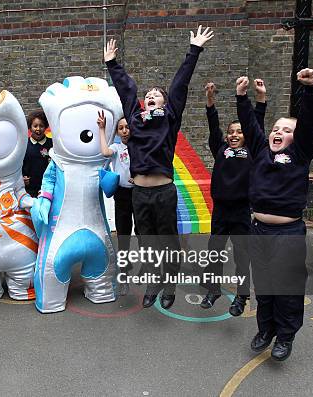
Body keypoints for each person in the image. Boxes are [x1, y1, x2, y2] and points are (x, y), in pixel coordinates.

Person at [104, 26, 214, 309]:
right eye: (149, 94)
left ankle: (170, 285)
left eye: (157, 94)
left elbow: (180, 85)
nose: (151, 95)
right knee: (148, 242)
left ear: (165, 102)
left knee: (168, 241)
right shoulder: (136, 118)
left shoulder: (169, 118)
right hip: (139, 193)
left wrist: (194, 50)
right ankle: (154, 281)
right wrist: (111, 64)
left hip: (163, 191)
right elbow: (126, 90)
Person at [235, 69, 313, 361]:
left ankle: (285, 336)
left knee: (287, 289)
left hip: (288, 233)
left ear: (296, 138)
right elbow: (250, 124)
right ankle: (266, 330)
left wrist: (311, 90)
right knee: (265, 287)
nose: (278, 132)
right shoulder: (261, 152)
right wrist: (242, 97)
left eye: (286, 130)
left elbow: (310, 123)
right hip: (258, 231)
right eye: (276, 128)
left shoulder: (299, 154)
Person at [199, 80, 266, 316]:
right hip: (220, 211)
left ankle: (242, 295)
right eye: (231, 132)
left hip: (241, 212)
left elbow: (256, 124)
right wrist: (210, 99)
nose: (234, 135)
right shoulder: (220, 148)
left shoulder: (254, 151)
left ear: (246, 135)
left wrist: (259, 99)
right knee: (214, 251)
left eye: (239, 132)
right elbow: (213, 125)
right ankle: (213, 289)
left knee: (241, 256)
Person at [97, 111, 137, 296]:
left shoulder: (140, 146)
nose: (124, 131)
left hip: (140, 193)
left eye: (127, 127)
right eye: (121, 128)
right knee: (124, 236)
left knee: (144, 233)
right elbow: (105, 152)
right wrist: (102, 129)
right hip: (121, 196)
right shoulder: (116, 147)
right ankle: (124, 276)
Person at [22, 109, 52, 197]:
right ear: (30, 127)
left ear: (46, 127)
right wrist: (22, 178)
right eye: (35, 126)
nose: (38, 129)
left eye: (41, 126)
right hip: (29, 190)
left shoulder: (52, 144)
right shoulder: (23, 145)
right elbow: (18, 166)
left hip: (48, 189)